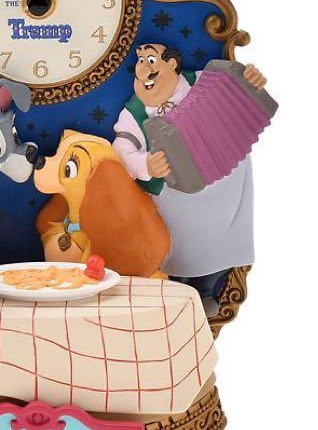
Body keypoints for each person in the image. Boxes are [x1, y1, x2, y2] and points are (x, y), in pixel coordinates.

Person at [111, 43, 267, 312]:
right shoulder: (134, 112)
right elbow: (122, 149)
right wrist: (146, 165)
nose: (143, 68)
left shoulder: (204, 82)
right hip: (176, 193)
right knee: (181, 240)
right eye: (140, 64)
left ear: (172, 64)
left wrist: (250, 81)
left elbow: (239, 93)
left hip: (224, 186)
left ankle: (209, 287)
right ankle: (178, 288)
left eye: (151, 60)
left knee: (220, 235)